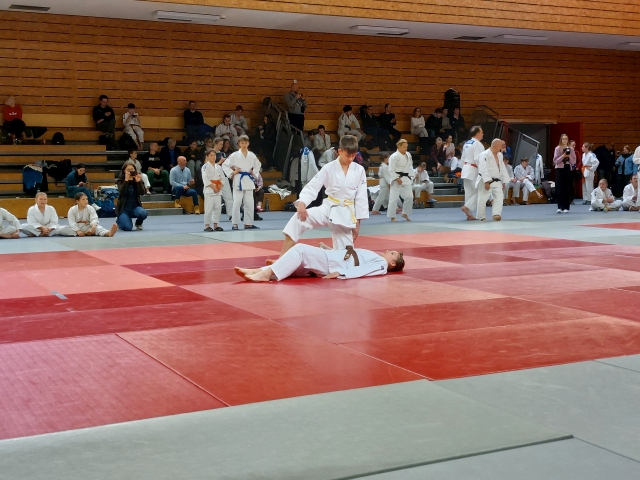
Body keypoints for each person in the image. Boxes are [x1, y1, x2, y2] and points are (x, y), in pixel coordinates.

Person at [277, 135, 367, 258]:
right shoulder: (328, 168)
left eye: (353, 156)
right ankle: (282, 258)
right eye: (348, 156)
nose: (351, 159)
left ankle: (326, 250)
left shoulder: (359, 170)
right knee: (298, 219)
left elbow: (361, 198)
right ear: (339, 151)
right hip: (329, 207)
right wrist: (302, 203)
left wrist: (357, 223)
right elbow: (314, 185)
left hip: (346, 213)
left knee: (345, 257)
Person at [235, 244, 404, 282]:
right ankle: (257, 270)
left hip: (334, 264)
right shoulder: (377, 258)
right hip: (333, 258)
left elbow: (364, 270)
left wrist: (342, 273)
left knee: (300, 249)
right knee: (299, 265)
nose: (388, 250)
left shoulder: (381, 264)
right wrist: (329, 249)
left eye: (392, 253)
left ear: (392, 264)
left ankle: (265, 274)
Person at [224, 135, 262, 230]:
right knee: (237, 203)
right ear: (239, 144)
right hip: (239, 180)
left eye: (245, 143)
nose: (244, 145)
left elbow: (258, 164)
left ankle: (248, 223)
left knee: (249, 203)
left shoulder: (251, 155)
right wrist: (233, 172)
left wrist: (254, 173)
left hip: (248, 180)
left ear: (248, 144)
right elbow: (225, 165)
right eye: (242, 143)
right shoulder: (234, 155)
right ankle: (235, 224)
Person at [476, 139, 511, 221]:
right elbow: (483, 168)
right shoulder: (484, 154)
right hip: (485, 180)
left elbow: (502, 168)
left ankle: (496, 214)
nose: (503, 147)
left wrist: (503, 181)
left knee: (499, 197)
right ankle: (481, 216)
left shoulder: (500, 155)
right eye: (501, 145)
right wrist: (486, 181)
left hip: (497, 180)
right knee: (483, 198)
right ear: (496, 145)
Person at [460, 126, 485, 220]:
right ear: (477, 133)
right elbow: (478, 159)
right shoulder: (478, 144)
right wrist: (483, 171)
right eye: (482, 132)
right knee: (481, 191)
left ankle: (469, 214)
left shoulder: (467, 143)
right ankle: (467, 207)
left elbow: (462, 158)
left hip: (465, 169)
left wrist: (462, 169)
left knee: (469, 193)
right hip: (474, 169)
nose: (483, 134)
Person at [388, 139, 415, 222]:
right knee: (394, 198)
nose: (406, 148)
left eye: (406, 147)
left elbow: (410, 166)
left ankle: (405, 213)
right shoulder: (394, 156)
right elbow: (391, 169)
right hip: (397, 178)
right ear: (399, 146)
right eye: (404, 147)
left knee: (410, 197)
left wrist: (412, 176)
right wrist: (396, 178)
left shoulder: (408, 155)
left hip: (406, 178)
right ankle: (392, 216)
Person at [116, 163, 148, 231]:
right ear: (124, 171)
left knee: (143, 213)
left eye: (132, 169)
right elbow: (122, 192)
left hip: (135, 207)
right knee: (128, 227)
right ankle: (120, 221)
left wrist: (139, 182)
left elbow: (142, 193)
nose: (130, 171)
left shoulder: (137, 180)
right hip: (124, 209)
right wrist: (126, 180)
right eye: (128, 170)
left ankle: (138, 223)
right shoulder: (120, 181)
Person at [201, 149, 225, 232]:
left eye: (214, 155)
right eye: (211, 155)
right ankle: (207, 225)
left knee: (218, 208)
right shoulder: (205, 167)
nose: (213, 157)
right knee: (209, 208)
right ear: (207, 156)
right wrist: (214, 187)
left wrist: (220, 186)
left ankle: (216, 225)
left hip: (218, 189)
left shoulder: (218, 167)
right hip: (209, 190)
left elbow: (223, 178)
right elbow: (206, 179)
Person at [553, 134, 576, 213]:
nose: (564, 140)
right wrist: (563, 156)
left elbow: (574, 161)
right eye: (563, 139)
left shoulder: (571, 149)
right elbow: (555, 161)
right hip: (559, 168)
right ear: (561, 140)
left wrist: (569, 156)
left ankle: (566, 207)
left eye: (566, 139)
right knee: (559, 188)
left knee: (567, 187)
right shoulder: (557, 148)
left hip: (567, 168)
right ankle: (560, 206)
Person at [213, 137, 234, 220]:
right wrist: (220, 162)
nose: (222, 146)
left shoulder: (223, 154)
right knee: (215, 198)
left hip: (223, 177)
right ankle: (214, 216)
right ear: (215, 144)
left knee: (228, 196)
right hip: (215, 178)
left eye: (222, 144)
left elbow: (226, 166)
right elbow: (208, 166)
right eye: (220, 144)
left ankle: (231, 214)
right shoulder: (210, 153)